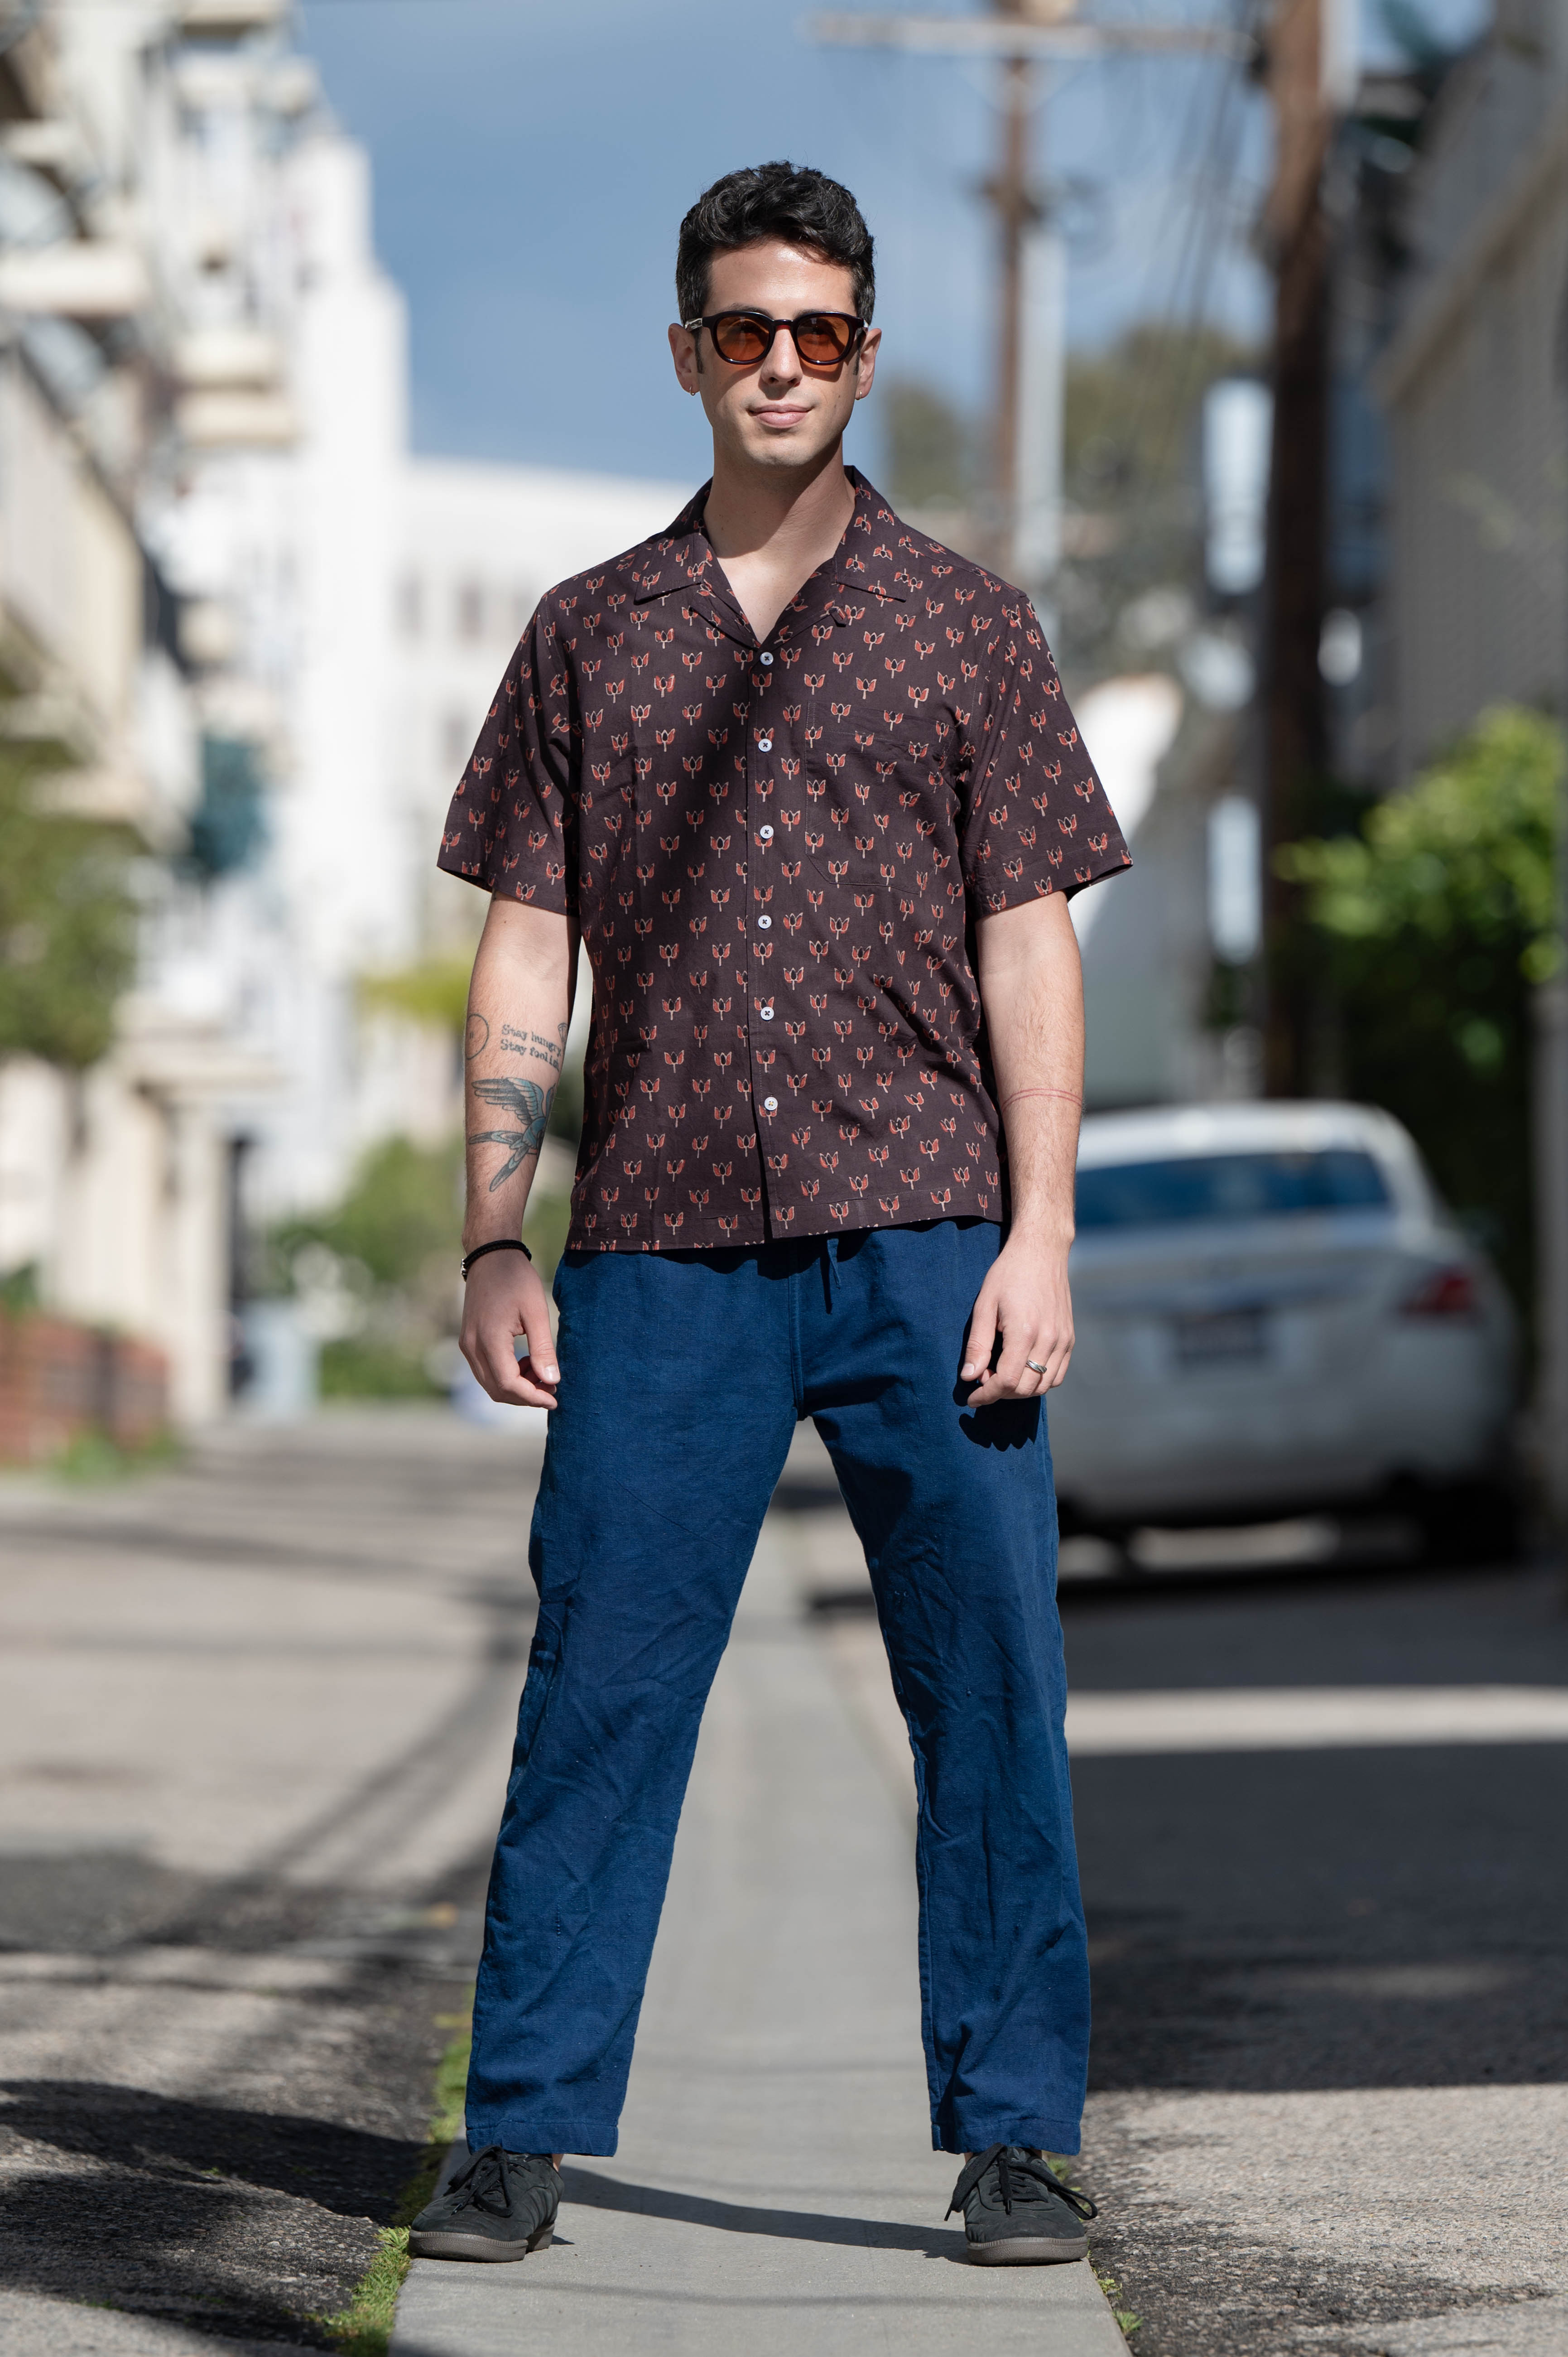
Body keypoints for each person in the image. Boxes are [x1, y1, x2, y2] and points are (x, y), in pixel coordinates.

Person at [408, 160, 1130, 2272]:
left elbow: (1030, 945)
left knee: (986, 1682)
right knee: (600, 1684)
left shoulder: (964, 623)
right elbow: (523, 954)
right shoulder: (585, 636)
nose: (782, 365)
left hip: (929, 1232)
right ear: (686, 353)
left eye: (818, 331)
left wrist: (1045, 1230)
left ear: (866, 351)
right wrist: (490, 1232)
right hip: (651, 1249)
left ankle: (1012, 2135)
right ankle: (519, 2131)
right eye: (744, 331)